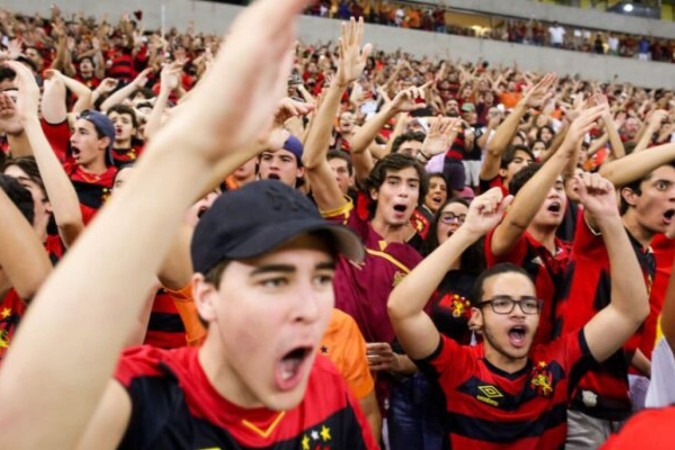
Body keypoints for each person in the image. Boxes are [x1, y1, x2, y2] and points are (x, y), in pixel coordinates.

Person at [0, 2, 376, 449]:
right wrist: (183, 154)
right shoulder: (149, 397)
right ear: (206, 297)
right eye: (274, 281)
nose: (310, 307)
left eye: (321, 278)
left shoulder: (328, 384)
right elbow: (24, 430)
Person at [388, 173, 649, 449]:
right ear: (476, 317)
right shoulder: (457, 365)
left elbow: (629, 311)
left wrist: (609, 217)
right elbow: (401, 308)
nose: (518, 312)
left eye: (527, 303)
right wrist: (467, 232)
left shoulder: (559, 362)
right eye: (501, 303)